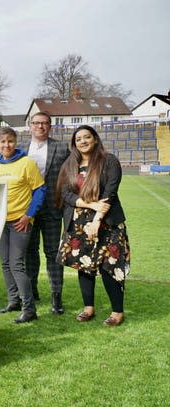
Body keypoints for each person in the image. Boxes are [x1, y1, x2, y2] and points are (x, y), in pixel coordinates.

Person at [56, 125, 130, 326]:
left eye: (87, 137)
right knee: (84, 265)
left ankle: (117, 312)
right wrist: (89, 204)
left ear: (95, 139)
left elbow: (110, 192)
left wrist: (96, 220)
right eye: (78, 139)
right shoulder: (69, 164)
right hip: (78, 222)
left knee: (110, 266)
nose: (83, 141)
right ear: (74, 143)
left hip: (107, 221)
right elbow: (66, 194)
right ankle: (88, 307)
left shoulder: (109, 161)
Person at [0, 127, 45, 324]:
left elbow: (40, 190)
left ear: (16, 142)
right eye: (3, 142)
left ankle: (29, 308)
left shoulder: (27, 163)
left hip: (20, 222)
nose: (7, 145)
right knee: (5, 262)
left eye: (10, 141)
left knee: (16, 264)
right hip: (1, 223)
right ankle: (13, 300)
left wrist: (28, 215)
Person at [22, 112, 69, 314]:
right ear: (30, 126)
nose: (40, 126)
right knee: (30, 252)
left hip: (52, 208)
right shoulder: (21, 150)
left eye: (44, 123)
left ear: (50, 126)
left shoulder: (61, 148)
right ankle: (32, 291)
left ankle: (56, 296)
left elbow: (70, 176)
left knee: (53, 253)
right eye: (36, 123)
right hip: (27, 209)